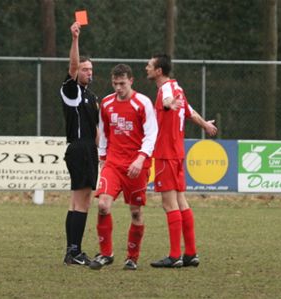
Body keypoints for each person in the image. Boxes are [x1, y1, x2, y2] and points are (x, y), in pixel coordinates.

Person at [146, 54, 217, 268]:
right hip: (177, 153)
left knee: (169, 204)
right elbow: (190, 111)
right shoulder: (178, 88)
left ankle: (175, 255)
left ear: (159, 71)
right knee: (181, 201)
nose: (146, 68)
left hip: (166, 153)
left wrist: (168, 105)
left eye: (149, 65)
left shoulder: (166, 90)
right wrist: (205, 125)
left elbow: (169, 103)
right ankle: (191, 253)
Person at [89, 64, 158, 271]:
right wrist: (102, 157)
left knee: (136, 212)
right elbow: (103, 132)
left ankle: (132, 257)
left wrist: (140, 158)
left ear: (131, 81)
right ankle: (105, 253)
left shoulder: (142, 103)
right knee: (102, 205)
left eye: (122, 83)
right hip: (113, 163)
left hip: (137, 165)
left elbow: (151, 134)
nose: (118, 87)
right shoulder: (107, 103)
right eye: (115, 83)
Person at [60, 22, 99, 266]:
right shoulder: (71, 91)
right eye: (85, 70)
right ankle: (75, 252)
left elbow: (95, 129)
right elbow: (72, 66)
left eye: (91, 70)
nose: (88, 73)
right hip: (78, 148)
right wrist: (75, 39)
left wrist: (101, 152)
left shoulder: (92, 96)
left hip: (89, 149)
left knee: (78, 201)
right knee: (82, 201)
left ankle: (71, 251)